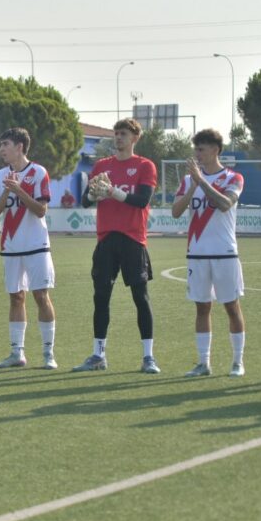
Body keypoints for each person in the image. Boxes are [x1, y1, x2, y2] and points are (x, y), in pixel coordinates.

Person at [74, 118, 160, 373]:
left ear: (135, 138)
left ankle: (148, 357)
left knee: (140, 298)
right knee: (100, 297)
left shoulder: (145, 165)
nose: (118, 137)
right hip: (106, 240)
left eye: (123, 134)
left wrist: (113, 192)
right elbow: (85, 202)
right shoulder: (102, 166)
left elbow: (142, 200)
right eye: (116, 133)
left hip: (133, 239)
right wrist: (93, 193)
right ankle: (98, 355)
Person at [171, 129, 246, 377]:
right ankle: (204, 363)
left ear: (215, 150)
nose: (197, 154)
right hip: (197, 253)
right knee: (202, 308)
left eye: (201, 149)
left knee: (231, 307)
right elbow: (176, 211)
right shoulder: (187, 180)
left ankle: (237, 362)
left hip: (225, 253)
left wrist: (202, 182)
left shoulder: (233, 177)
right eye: (195, 150)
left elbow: (225, 204)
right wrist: (193, 185)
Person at [0, 128, 57, 369]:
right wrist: (7, 190)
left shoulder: (38, 172)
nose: (1, 150)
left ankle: (48, 354)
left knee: (41, 296)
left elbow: (41, 210)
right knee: (16, 298)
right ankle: (17, 353)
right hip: (11, 245)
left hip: (36, 245)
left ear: (19, 147)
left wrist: (20, 191)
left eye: (5, 144)